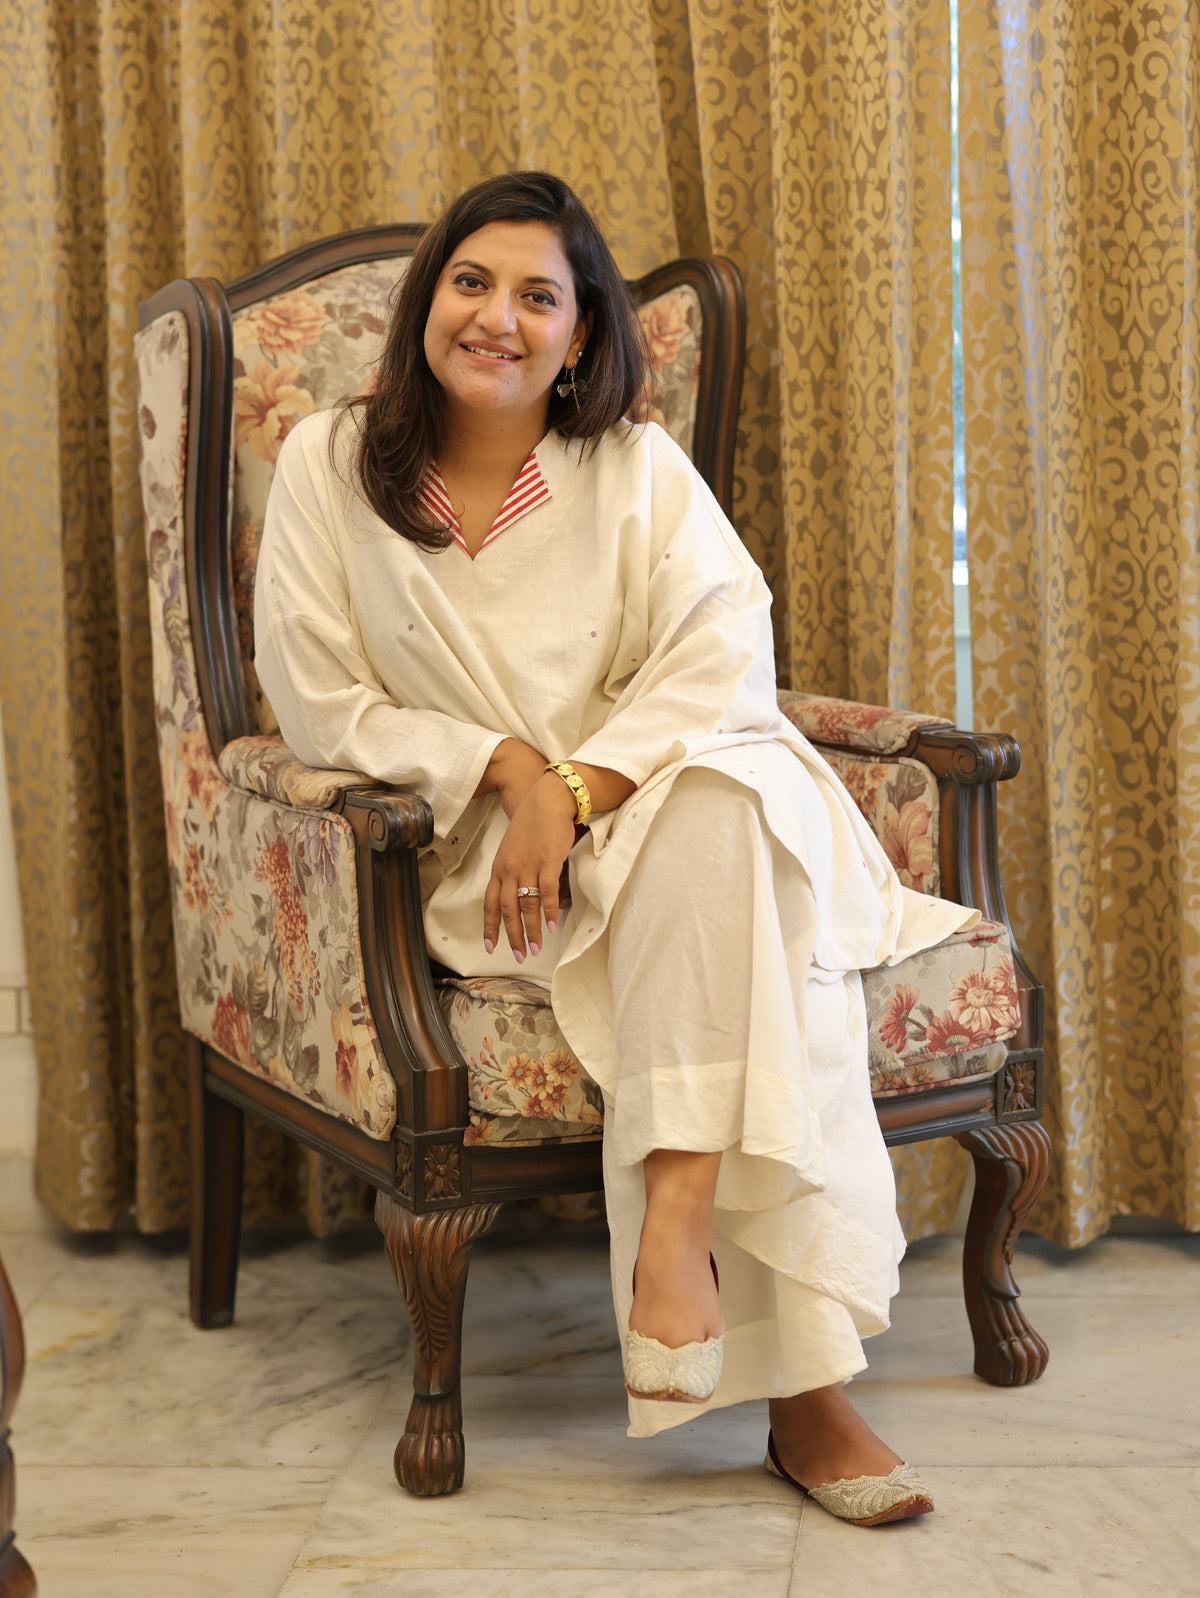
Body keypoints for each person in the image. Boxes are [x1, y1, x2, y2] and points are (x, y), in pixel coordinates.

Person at [254, 169, 973, 1526]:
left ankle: (679, 1238)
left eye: (539, 296)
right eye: (472, 283)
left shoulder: (633, 467)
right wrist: (509, 770)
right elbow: (316, 694)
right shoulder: (328, 465)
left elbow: (723, 649)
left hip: (658, 790)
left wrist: (580, 785)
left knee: (722, 823)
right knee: (749, 920)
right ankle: (809, 1404)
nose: (499, 318)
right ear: (427, 301)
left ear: (580, 333)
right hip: (483, 854)